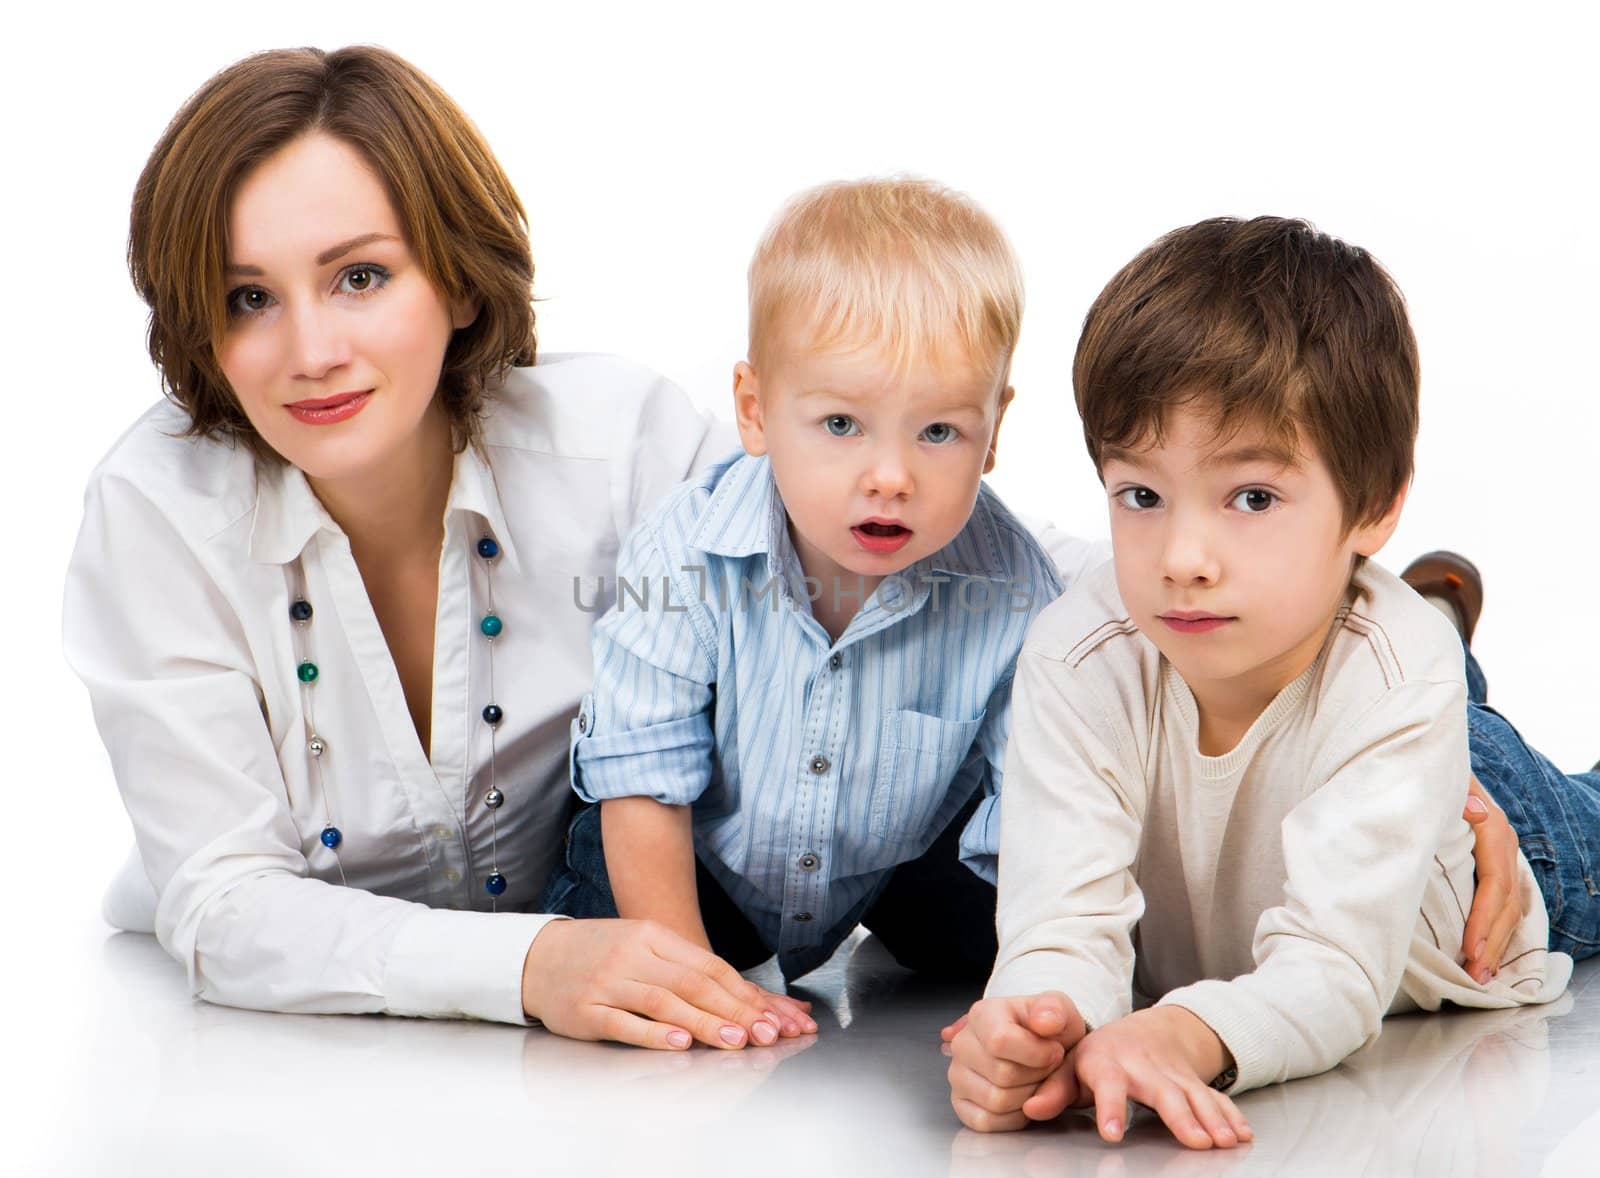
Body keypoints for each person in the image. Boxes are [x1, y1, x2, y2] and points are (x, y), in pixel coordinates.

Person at [63, 45, 816, 1050]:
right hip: (264, 1070)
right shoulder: (154, 509)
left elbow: (909, 548)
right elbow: (225, 903)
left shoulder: (620, 445)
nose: (311, 351)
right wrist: (535, 961)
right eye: (249, 297)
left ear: (460, 279)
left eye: (359, 276)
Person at [945, 217, 1573, 1148]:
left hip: (1486, 852)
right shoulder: (1076, 657)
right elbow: (1061, 916)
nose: (1183, 560)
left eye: (1252, 498)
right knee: (1401, 669)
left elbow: (1334, 965)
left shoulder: (1394, 680)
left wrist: (1181, 1033)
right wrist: (1040, 1028)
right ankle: (1421, 621)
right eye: (1141, 496)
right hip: (1351, 701)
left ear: (1377, 504)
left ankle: (1439, 641)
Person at [539, 179, 1074, 981]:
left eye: (938, 431)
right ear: (754, 411)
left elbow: (1028, 813)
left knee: (1004, 938)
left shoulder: (1016, 591)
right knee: (621, 961)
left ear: (993, 431)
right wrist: (694, 981)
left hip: (882, 859)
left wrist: (1031, 989)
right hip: (684, 849)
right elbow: (644, 781)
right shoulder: (686, 553)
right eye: (840, 425)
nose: (890, 476)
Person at [1399, 550, 1600, 962]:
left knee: (1424, 688)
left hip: (1480, 807)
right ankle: (1431, 628)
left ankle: (1431, 630)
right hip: (1434, 737)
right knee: (1424, 681)